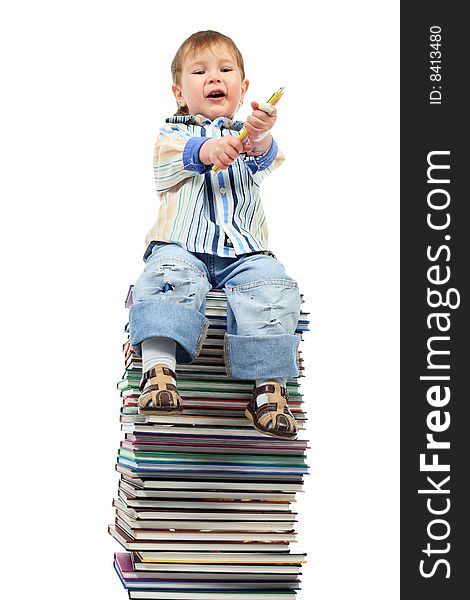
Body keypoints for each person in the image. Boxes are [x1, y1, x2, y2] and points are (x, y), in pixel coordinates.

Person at [129, 30, 301, 439]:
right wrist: (207, 151)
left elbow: (268, 157)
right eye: (200, 71)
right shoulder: (173, 133)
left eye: (225, 70)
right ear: (179, 91)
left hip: (244, 248)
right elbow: (175, 158)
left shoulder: (248, 137)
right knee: (166, 275)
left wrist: (257, 134)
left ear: (242, 89)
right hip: (182, 243)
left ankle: (267, 391)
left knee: (274, 285)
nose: (213, 77)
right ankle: (158, 370)